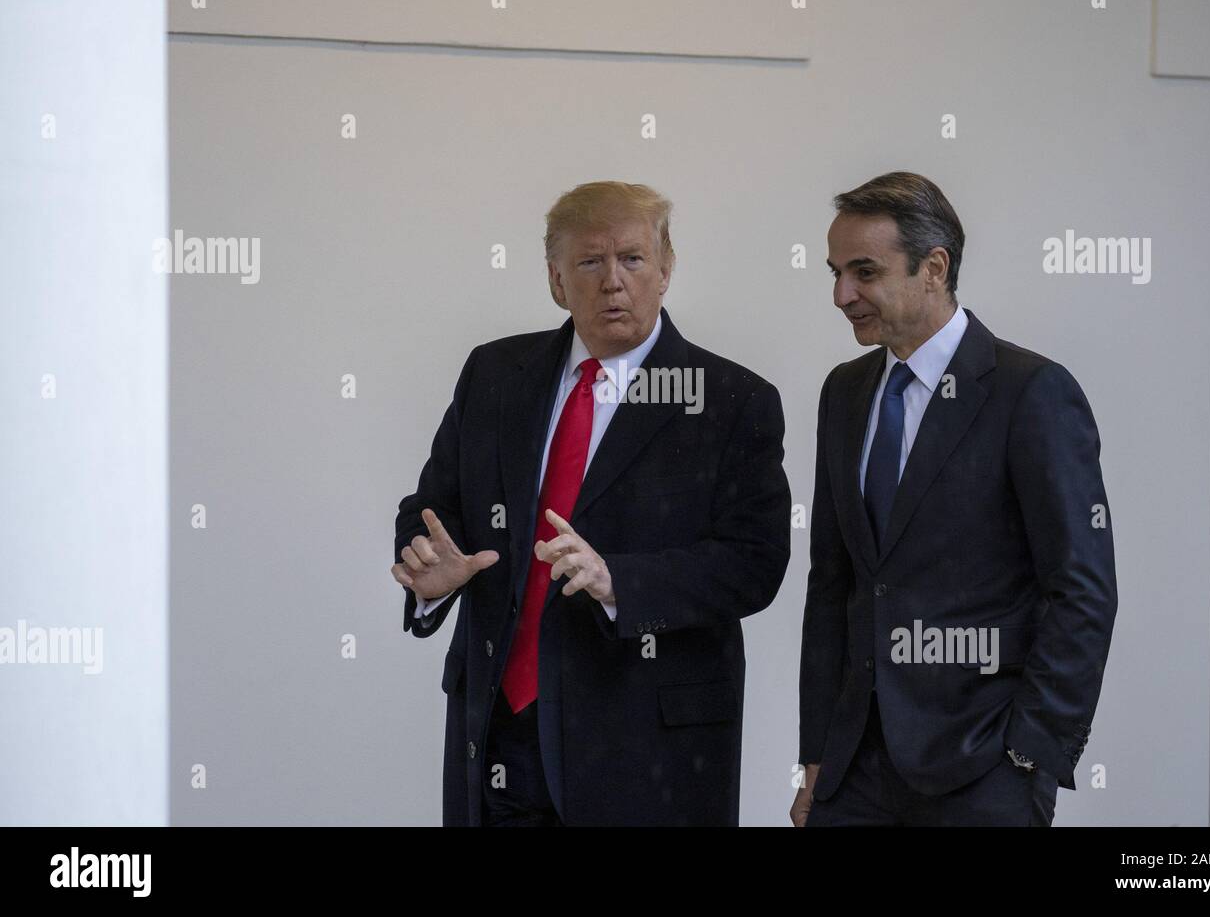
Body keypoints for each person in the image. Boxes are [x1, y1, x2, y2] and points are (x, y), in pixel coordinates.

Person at [393, 180, 791, 825]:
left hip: (646, 750)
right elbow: (433, 507)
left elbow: (754, 563)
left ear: (666, 270)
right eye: (589, 262)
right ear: (556, 280)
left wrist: (619, 582)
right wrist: (430, 569)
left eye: (632, 259)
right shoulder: (494, 375)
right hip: (500, 733)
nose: (613, 281)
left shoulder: (731, 399)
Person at [792, 171, 1118, 826]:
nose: (841, 294)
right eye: (834, 272)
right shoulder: (844, 392)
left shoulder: (1030, 392)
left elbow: (1081, 589)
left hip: (983, 768)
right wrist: (817, 755)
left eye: (863, 271)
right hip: (853, 769)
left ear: (933, 267)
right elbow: (833, 581)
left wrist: (1033, 754)